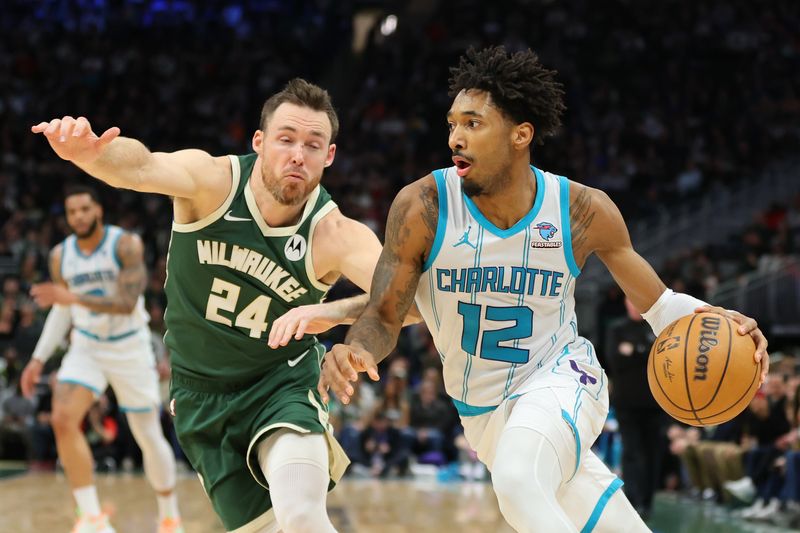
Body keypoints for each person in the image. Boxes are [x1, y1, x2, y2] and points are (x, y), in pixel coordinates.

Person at [320, 46, 770, 533]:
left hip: (562, 378)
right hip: (484, 416)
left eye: (473, 124)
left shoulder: (581, 211)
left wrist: (727, 322)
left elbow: (661, 307)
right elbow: (388, 314)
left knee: (518, 482)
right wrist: (356, 348)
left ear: (521, 134)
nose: (455, 138)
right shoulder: (422, 206)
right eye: (452, 124)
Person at [30, 78, 419, 533]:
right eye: (286, 139)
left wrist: (331, 316)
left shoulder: (335, 233)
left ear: (329, 156)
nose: (298, 154)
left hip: (283, 385)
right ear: (259, 142)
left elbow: (409, 303)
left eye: (314, 145)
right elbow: (140, 166)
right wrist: (91, 153)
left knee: (301, 515)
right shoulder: (212, 182)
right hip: (201, 398)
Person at [19, 185, 184, 533]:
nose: (78, 216)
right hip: (88, 346)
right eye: (71, 212)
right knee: (63, 418)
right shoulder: (61, 256)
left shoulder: (125, 244)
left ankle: (169, 515)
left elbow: (125, 303)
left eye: (84, 209)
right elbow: (63, 310)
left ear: (98, 211)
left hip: (129, 346)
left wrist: (71, 296)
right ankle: (92, 517)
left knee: (147, 434)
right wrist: (38, 359)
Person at [605, 298, 668, 520]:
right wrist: (644, 352)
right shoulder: (617, 329)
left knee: (653, 454)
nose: (634, 304)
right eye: (630, 301)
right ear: (625, 303)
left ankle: (647, 503)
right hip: (626, 405)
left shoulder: (657, 328)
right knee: (632, 453)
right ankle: (633, 502)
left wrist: (634, 351)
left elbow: (662, 360)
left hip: (655, 404)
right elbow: (615, 360)